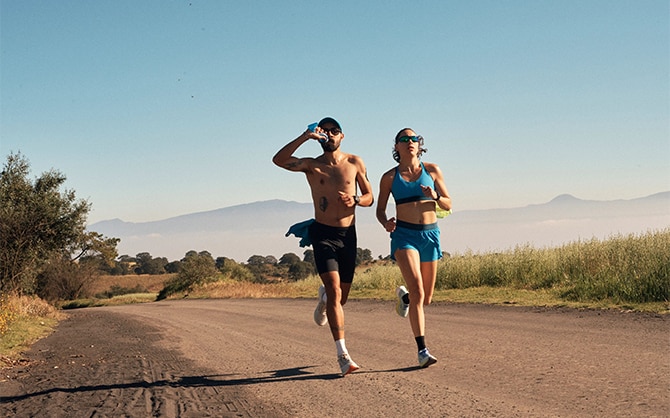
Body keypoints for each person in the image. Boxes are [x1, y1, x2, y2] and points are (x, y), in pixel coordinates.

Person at [272, 117, 374, 376]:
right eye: (325, 131)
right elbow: (279, 160)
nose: (330, 134)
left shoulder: (355, 163)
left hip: (348, 235)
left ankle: (324, 301)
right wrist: (304, 136)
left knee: (341, 298)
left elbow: (369, 197)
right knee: (334, 288)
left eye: (334, 131)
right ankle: (343, 355)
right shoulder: (311, 166)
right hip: (323, 234)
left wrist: (356, 199)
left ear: (342, 136)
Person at [375, 128, 452, 368]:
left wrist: (435, 197)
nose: (410, 142)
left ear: (420, 145)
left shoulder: (432, 171)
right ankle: (422, 350)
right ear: (396, 147)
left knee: (425, 298)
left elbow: (449, 204)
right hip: (404, 236)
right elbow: (379, 209)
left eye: (414, 139)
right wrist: (385, 222)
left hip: (430, 235)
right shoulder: (389, 177)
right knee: (418, 289)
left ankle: (405, 298)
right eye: (404, 139)